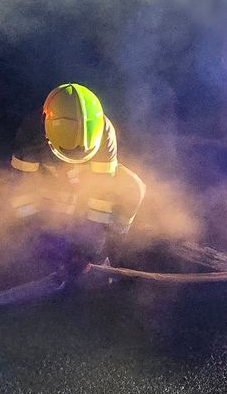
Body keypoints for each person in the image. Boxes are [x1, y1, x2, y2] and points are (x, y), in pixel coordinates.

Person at [10, 83, 146, 267]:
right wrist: (31, 232)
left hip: (84, 183)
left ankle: (115, 249)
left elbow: (102, 192)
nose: (74, 157)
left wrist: (90, 250)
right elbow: (22, 187)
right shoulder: (31, 132)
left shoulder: (104, 131)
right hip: (50, 182)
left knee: (133, 187)